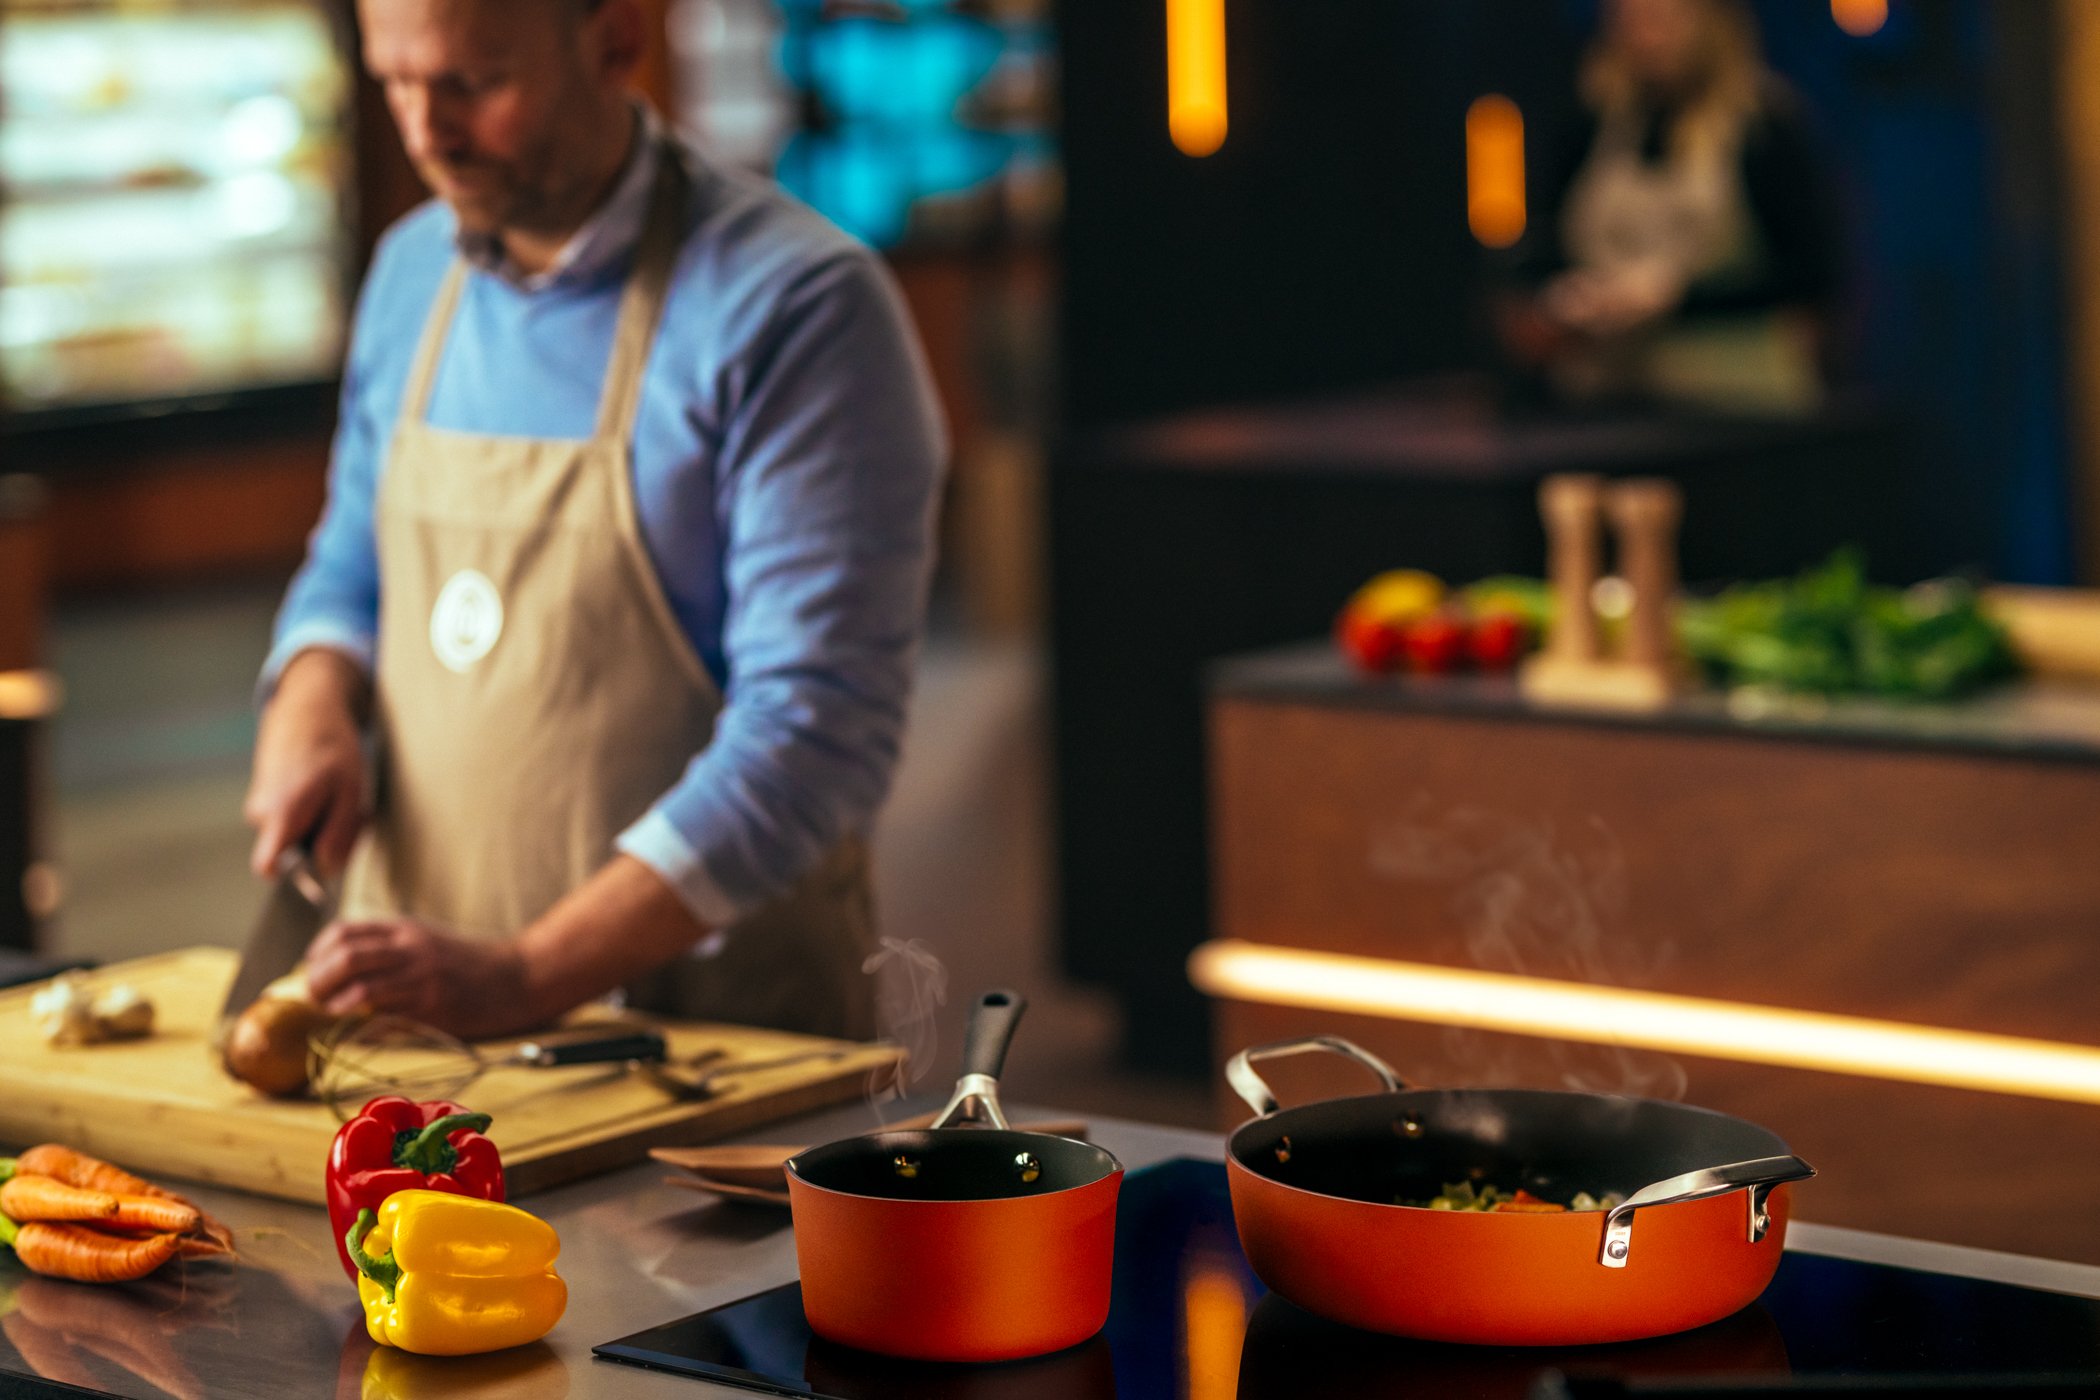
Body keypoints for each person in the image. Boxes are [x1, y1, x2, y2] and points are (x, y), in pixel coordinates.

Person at [242, 0, 946, 1042]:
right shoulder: (408, 272)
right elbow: (353, 555)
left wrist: (529, 971)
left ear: (617, 38)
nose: (426, 131)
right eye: (397, 81)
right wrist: (310, 694)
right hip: (420, 1027)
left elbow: (816, 736)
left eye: (473, 84)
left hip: (706, 1048)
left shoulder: (799, 307)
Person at [1496, 0, 1845, 415]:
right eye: (1632, 21)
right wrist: (1565, 296)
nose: (1646, 38)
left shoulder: (1762, 127)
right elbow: (1542, 243)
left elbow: (1814, 273)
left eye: (1664, 20)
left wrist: (1676, 298)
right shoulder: (1588, 122)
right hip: (1606, 399)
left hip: (1737, 406)